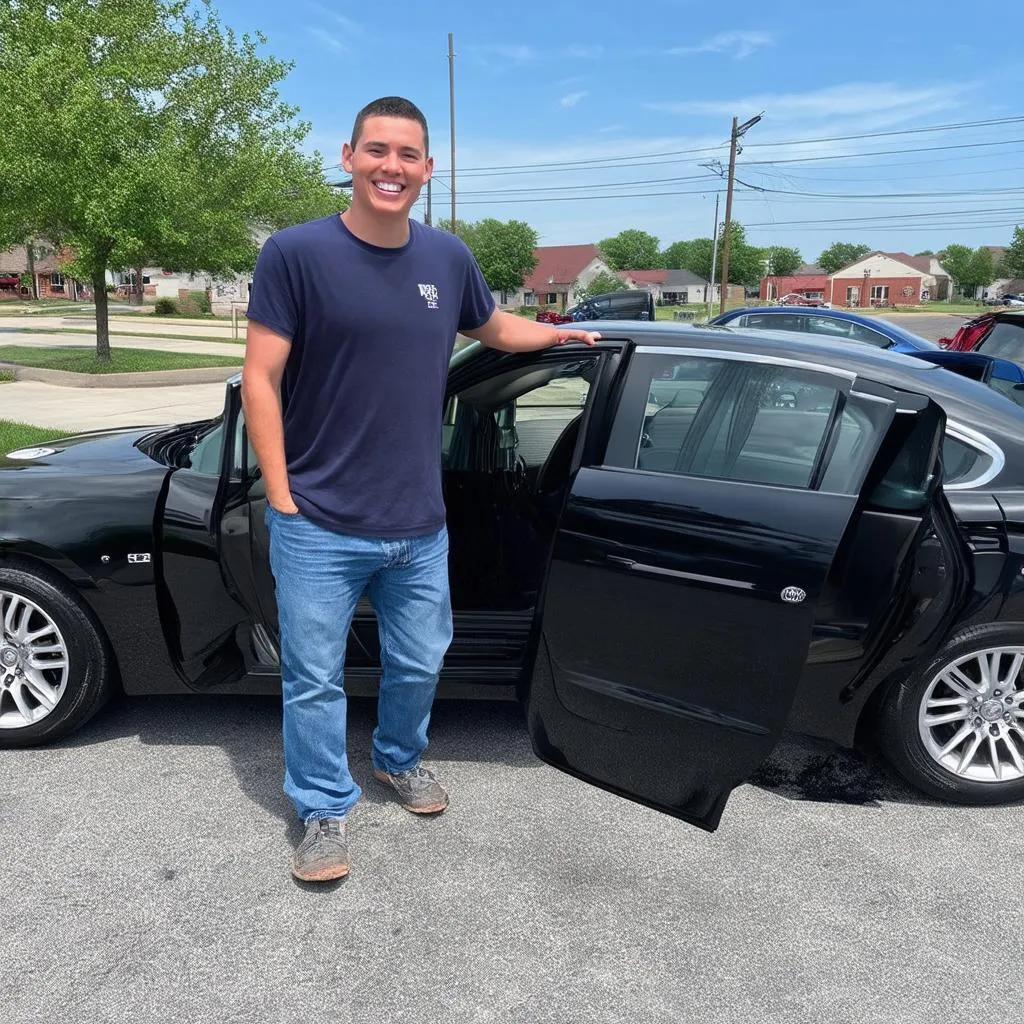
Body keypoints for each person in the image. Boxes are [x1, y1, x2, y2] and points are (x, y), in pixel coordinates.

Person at [242, 96, 599, 883]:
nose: (391, 168)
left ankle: (398, 759)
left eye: (407, 156)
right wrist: (280, 492)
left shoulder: (446, 257)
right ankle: (323, 808)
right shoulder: (295, 254)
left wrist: (560, 334)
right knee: (313, 678)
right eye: (377, 151)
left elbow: (494, 327)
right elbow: (260, 379)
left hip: (417, 523)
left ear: (427, 170)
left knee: (419, 660)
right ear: (349, 155)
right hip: (320, 520)